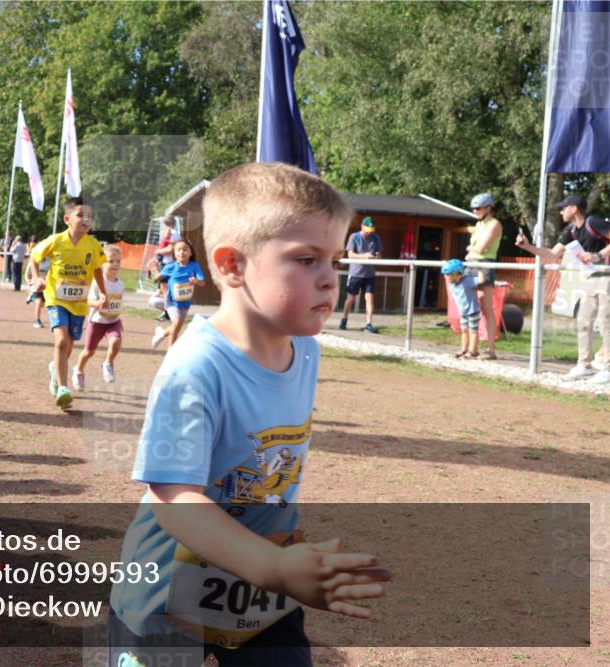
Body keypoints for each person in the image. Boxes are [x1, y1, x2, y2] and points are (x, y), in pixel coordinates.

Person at [108, 162, 388, 667]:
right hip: (167, 593)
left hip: (261, 590)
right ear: (232, 266)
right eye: (306, 259)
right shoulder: (195, 366)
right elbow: (172, 498)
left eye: (335, 260)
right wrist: (273, 566)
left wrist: (279, 565)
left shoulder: (305, 349)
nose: (330, 280)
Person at [516, 195, 610, 383]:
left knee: (605, 322)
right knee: (583, 321)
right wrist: (527, 247)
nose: (560, 211)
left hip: (607, 275)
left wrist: (597, 256)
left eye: (563, 208)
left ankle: (607, 368)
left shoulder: (595, 222)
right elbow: (552, 254)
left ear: (573, 208)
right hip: (590, 278)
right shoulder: (572, 231)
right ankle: (583, 365)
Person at [30, 196, 107, 410]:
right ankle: (64, 388)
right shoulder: (55, 240)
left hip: (79, 303)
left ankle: (56, 371)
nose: (86, 219)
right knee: (62, 340)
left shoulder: (92, 245)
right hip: (56, 299)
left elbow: (98, 269)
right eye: (81, 215)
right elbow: (34, 257)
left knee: (70, 343)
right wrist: (37, 278)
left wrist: (103, 292)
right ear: (67, 219)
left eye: (90, 216)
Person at [71, 245, 125, 390]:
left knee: (115, 342)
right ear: (101, 264)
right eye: (111, 261)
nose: (115, 264)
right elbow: (87, 301)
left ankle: (107, 363)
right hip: (96, 322)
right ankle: (78, 370)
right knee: (89, 352)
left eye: (118, 261)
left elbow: (117, 304)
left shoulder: (120, 284)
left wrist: (119, 319)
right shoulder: (97, 283)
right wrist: (97, 303)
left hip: (112, 322)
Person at [465, 193, 503, 360]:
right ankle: (471, 348)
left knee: (486, 307)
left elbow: (480, 249)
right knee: (470, 306)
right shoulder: (479, 224)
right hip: (472, 265)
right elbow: (476, 247)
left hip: (484, 265)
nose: (475, 211)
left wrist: (471, 249)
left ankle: (491, 350)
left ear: (488, 208)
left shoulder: (495, 224)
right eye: (474, 208)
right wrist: (472, 249)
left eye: (478, 208)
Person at [150, 238, 205, 349]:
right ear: (174, 253)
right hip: (171, 301)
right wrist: (154, 268)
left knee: (177, 327)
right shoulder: (170, 266)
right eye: (178, 250)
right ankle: (171, 352)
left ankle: (162, 333)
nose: (181, 252)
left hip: (185, 302)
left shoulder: (194, 266)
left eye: (185, 250)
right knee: (177, 322)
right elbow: (158, 277)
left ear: (191, 253)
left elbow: (202, 283)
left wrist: (196, 281)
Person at [338, 216, 383, 333]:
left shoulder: (375, 237)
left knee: (369, 298)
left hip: (369, 274)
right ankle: (344, 319)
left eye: (371, 230)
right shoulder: (354, 237)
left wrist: (376, 257)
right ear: (362, 227)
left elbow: (380, 254)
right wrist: (364, 256)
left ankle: (369, 324)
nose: (369, 233)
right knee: (351, 298)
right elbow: (350, 255)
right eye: (367, 230)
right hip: (355, 273)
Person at [441, 259, 481, 359]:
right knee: (464, 330)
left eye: (448, 274)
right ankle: (464, 348)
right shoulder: (452, 284)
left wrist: (481, 269)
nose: (445, 277)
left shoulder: (468, 281)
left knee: (473, 331)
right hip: (463, 312)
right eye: (445, 274)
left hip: (473, 311)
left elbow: (480, 280)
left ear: (457, 274)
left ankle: (473, 351)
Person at [25, 234, 50, 328]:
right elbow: (27, 275)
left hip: (47, 285)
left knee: (44, 304)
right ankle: (37, 320)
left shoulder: (49, 259)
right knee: (39, 302)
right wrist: (30, 283)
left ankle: (32, 297)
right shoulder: (33, 259)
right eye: (32, 247)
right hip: (36, 286)